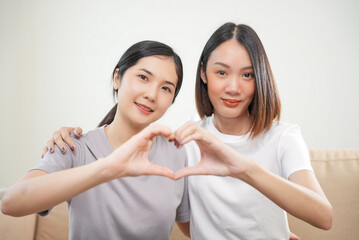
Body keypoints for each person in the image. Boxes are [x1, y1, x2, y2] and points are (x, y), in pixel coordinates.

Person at [38, 23, 333, 239]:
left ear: (261, 79)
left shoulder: (284, 137)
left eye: (247, 75)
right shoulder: (186, 141)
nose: (233, 86)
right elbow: (187, 217)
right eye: (221, 72)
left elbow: (323, 215)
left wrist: (268, 225)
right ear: (203, 73)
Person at [1, 40, 190, 240]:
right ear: (118, 78)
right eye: (143, 77)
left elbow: (193, 228)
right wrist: (107, 168)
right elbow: (11, 203)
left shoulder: (175, 152)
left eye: (166, 88)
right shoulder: (75, 147)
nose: (152, 94)